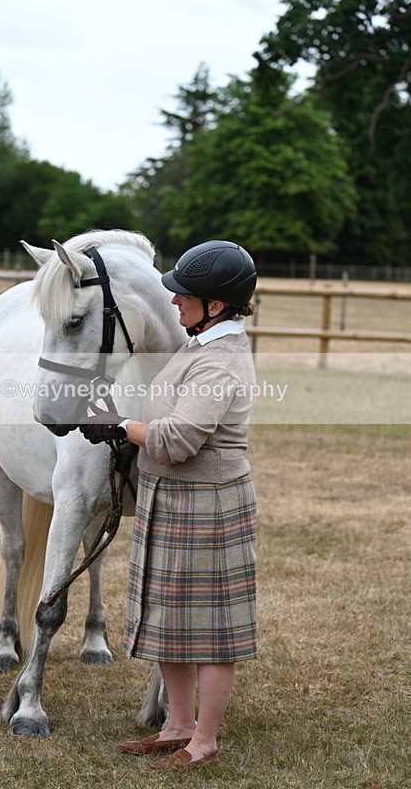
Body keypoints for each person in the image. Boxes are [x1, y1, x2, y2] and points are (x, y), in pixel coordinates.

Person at [79, 240, 258, 770]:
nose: (174, 301)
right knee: (172, 621)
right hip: (171, 497)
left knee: (211, 631)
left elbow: (180, 438)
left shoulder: (221, 361)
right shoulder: (197, 345)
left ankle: (204, 739)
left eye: (185, 295)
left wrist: (119, 428)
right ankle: (176, 725)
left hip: (208, 501)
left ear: (217, 306)